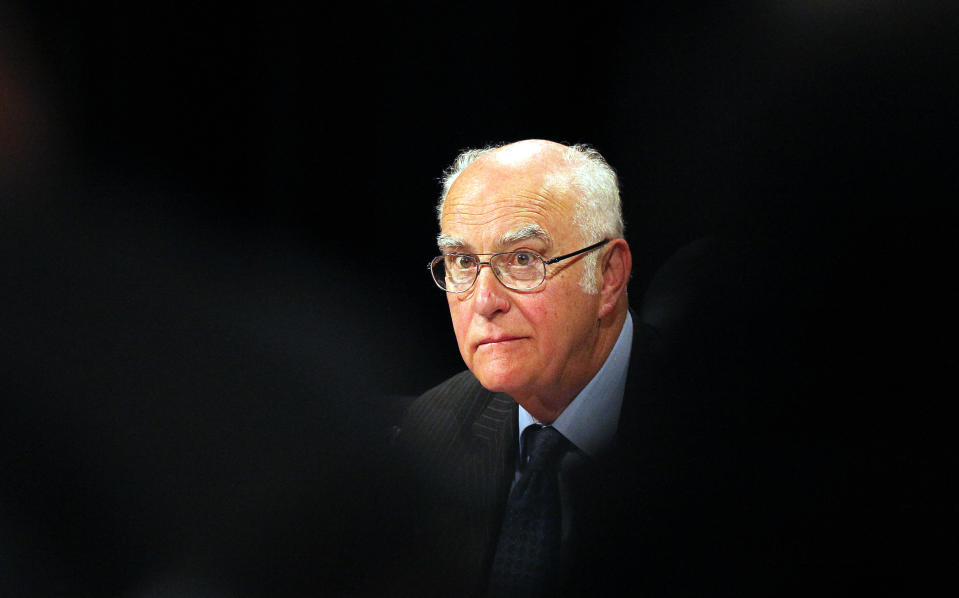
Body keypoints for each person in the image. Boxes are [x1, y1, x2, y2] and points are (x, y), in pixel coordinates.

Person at [382, 139, 833, 597]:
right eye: (462, 262)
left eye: (522, 260)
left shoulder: (722, 433)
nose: (484, 302)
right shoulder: (435, 428)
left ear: (609, 274)